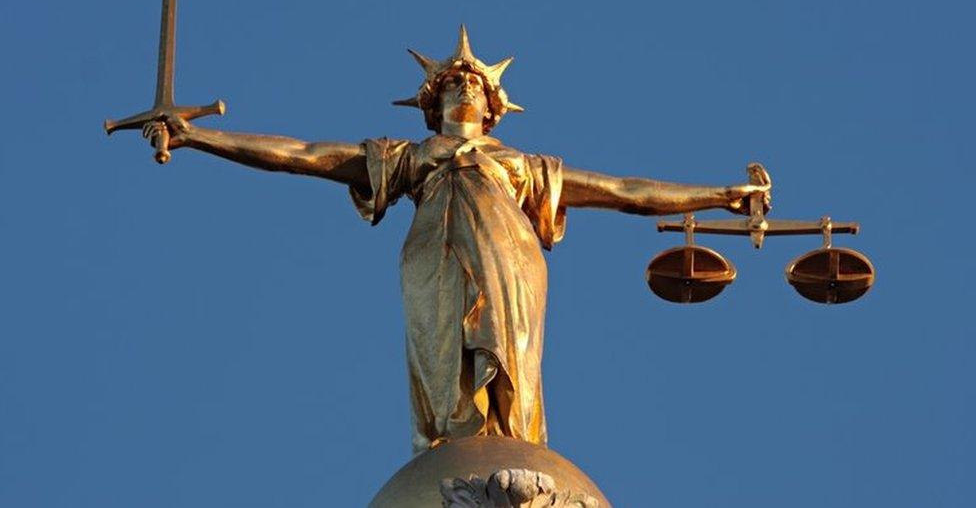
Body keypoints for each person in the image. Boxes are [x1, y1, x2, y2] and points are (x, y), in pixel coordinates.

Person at [141, 26, 770, 455]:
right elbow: (304, 155)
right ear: (431, 100)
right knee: (443, 362)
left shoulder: (523, 167)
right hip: (433, 256)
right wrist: (200, 138)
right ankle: (454, 450)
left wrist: (718, 195)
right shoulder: (412, 158)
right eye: (451, 83)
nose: (463, 85)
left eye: (474, 82)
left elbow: (624, 189)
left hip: (510, 258)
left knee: (510, 358)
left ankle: (508, 449)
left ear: (494, 105)